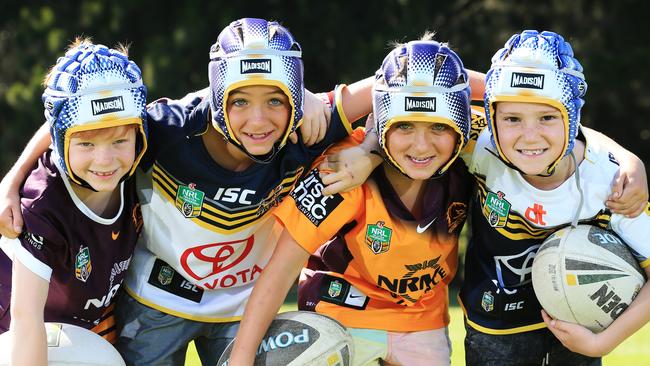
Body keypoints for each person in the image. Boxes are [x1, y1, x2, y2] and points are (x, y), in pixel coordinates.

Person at [0, 18, 380, 365]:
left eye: (277, 100)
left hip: (245, 308)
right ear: (217, 96)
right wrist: (12, 180)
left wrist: (370, 151)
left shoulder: (305, 125)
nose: (258, 120)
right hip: (157, 302)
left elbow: (394, 92)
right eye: (241, 101)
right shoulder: (165, 130)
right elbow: (78, 115)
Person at [227, 36, 474, 366]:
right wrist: (240, 360)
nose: (421, 145)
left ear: (461, 127)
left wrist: (373, 150)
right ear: (380, 122)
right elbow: (280, 271)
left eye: (437, 128)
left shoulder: (473, 154)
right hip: (339, 314)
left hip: (421, 321)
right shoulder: (339, 170)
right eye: (404, 126)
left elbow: (512, 100)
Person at [458, 30, 650, 365]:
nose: (529, 136)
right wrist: (370, 151)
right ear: (491, 118)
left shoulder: (610, 181)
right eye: (512, 118)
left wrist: (601, 343)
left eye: (547, 116)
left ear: (572, 118)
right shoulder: (480, 144)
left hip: (581, 329)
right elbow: (417, 96)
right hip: (495, 327)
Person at [0, 39, 148, 365]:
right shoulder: (42, 208)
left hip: (81, 324)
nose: (105, 160)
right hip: (15, 332)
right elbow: (26, 323)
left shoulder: (146, 147)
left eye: (120, 140)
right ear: (60, 139)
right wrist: (13, 183)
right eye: (87, 144)